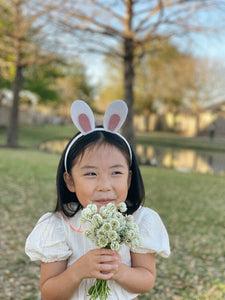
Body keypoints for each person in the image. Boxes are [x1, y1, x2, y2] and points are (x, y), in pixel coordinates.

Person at [25, 100, 170, 300]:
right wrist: (77, 271)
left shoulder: (139, 221)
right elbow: (49, 293)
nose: (104, 185)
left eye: (116, 172)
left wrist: (118, 270)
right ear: (70, 181)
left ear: (129, 178)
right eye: (91, 173)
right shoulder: (58, 227)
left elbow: (146, 280)